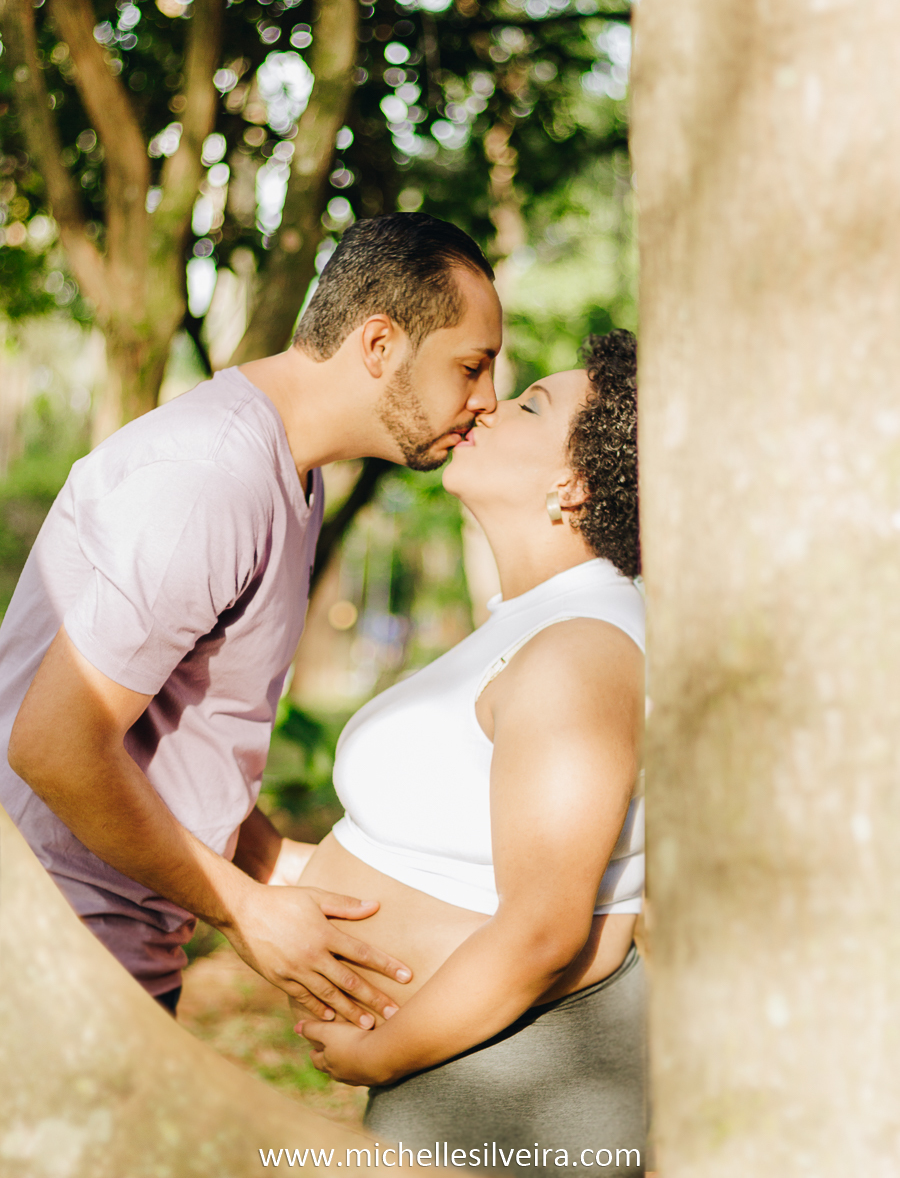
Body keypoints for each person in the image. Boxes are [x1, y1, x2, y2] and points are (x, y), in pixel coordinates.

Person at [0, 213, 502, 1022]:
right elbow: (53, 748)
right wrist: (242, 908)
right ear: (379, 345)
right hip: (44, 967)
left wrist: (299, 879)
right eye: (471, 367)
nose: (487, 400)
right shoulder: (211, 476)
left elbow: (177, 755)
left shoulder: (292, 480)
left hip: (118, 963)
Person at [293, 330, 647, 1177]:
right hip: (472, 1070)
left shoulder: (582, 648)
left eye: (531, 405)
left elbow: (542, 930)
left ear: (573, 483)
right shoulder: (533, 622)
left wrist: (379, 1057)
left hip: (513, 1087)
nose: (488, 402)